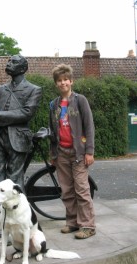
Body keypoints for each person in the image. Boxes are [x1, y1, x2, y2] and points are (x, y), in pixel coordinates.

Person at [0, 55, 42, 237]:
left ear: (23, 68)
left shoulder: (33, 89)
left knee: (15, 178)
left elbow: (26, 113)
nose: (8, 64)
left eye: (13, 62)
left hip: (18, 137)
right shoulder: (0, 89)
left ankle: (20, 221)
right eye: (8, 61)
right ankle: (6, 219)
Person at [48, 64, 96, 239]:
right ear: (56, 84)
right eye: (59, 81)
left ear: (71, 81)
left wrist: (89, 151)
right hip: (61, 153)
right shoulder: (53, 104)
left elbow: (89, 127)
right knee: (67, 190)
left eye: (65, 80)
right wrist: (53, 154)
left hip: (79, 153)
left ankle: (88, 226)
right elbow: (52, 131)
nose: (63, 83)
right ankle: (72, 222)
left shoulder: (80, 100)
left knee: (82, 189)